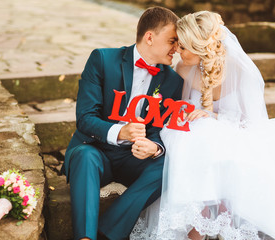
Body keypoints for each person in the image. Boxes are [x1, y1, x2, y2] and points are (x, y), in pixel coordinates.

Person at [130, 11, 275, 240]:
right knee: (199, 140)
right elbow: (177, 109)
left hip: (237, 136)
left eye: (184, 46)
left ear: (200, 47)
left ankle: (208, 226)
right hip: (194, 139)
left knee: (214, 142)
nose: (177, 50)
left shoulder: (240, 71)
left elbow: (253, 124)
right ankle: (194, 228)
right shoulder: (182, 68)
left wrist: (213, 118)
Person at [61, 6, 184, 240]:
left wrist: (154, 147)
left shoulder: (172, 81)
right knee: (84, 156)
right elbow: (85, 118)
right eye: (172, 41)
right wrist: (120, 132)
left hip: (134, 160)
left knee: (168, 167)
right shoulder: (102, 59)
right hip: (96, 150)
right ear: (150, 37)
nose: (176, 49)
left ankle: (107, 232)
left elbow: (162, 130)